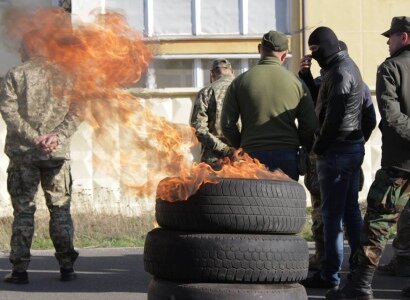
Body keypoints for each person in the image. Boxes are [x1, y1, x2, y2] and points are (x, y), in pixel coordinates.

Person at [327, 16, 410, 300]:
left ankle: (359, 287)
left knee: (377, 224)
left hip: (400, 164)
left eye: (392, 36)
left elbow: (392, 115)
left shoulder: (391, 68)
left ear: (405, 38)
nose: (388, 41)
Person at [0, 34, 81, 284]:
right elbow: (78, 111)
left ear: (26, 49)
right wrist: (56, 137)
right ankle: (66, 267)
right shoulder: (67, 76)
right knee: (60, 210)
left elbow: (8, 112)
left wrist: (35, 138)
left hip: (25, 155)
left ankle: (20, 270)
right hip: (55, 155)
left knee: (24, 211)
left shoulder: (15, 75)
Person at [299, 41, 377, 271]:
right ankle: (354, 264)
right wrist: (305, 75)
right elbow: (368, 119)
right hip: (348, 151)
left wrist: (322, 146)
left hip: (334, 153)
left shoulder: (340, 76)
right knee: (346, 210)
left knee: (330, 215)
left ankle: (330, 271)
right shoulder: (349, 77)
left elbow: (330, 117)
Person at [220, 30, 317, 181]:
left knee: (255, 203)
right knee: (285, 202)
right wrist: (301, 144)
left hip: (252, 156)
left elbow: (226, 125)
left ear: (260, 49)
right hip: (287, 156)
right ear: (284, 55)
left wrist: (242, 144)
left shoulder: (239, 82)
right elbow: (309, 124)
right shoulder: (297, 83)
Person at [190, 58, 235, 169]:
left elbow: (199, 129)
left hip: (214, 160)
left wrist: (225, 149)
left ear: (211, 74)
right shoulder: (245, 89)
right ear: (232, 71)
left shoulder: (206, 91)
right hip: (242, 158)